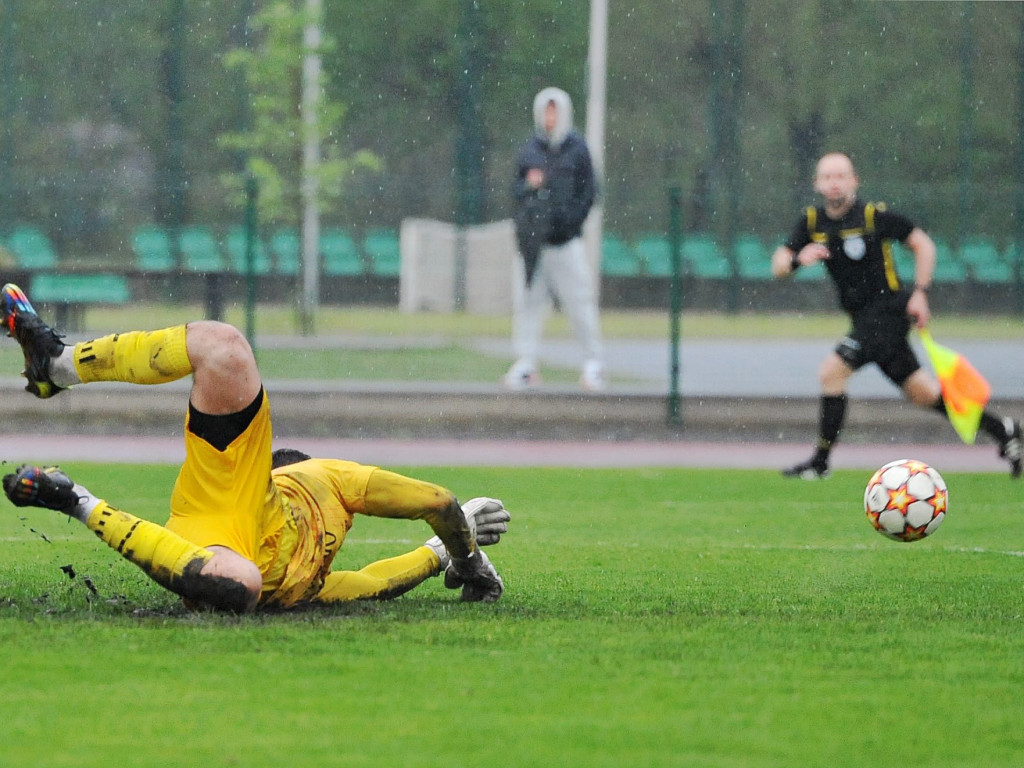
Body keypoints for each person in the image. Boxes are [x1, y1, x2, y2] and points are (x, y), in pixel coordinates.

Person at [0, 282, 510, 611]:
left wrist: (447, 550)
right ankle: (60, 393)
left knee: (224, 348)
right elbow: (433, 512)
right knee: (239, 585)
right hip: (227, 500)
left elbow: (389, 565)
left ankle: (64, 409)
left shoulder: (314, 576)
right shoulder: (324, 480)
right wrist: (459, 553)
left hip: (219, 509)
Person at [771, 151, 1022, 480]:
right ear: (817, 183)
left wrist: (920, 292)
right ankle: (1004, 429)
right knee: (924, 394)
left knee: (832, 373)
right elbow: (778, 265)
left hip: (888, 311)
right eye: (827, 177)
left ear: (854, 181)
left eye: (841, 176)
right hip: (863, 320)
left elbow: (923, 244)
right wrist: (796, 261)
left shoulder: (874, 216)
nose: (834, 183)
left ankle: (820, 463)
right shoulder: (812, 222)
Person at [505, 86, 606, 392]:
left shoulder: (577, 149)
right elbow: (515, 192)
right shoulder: (530, 151)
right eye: (546, 111)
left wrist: (569, 221)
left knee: (579, 302)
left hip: (565, 242)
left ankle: (593, 363)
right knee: (529, 304)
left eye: (555, 111)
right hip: (535, 244)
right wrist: (530, 188)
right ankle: (526, 362)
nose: (550, 118)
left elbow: (589, 192)